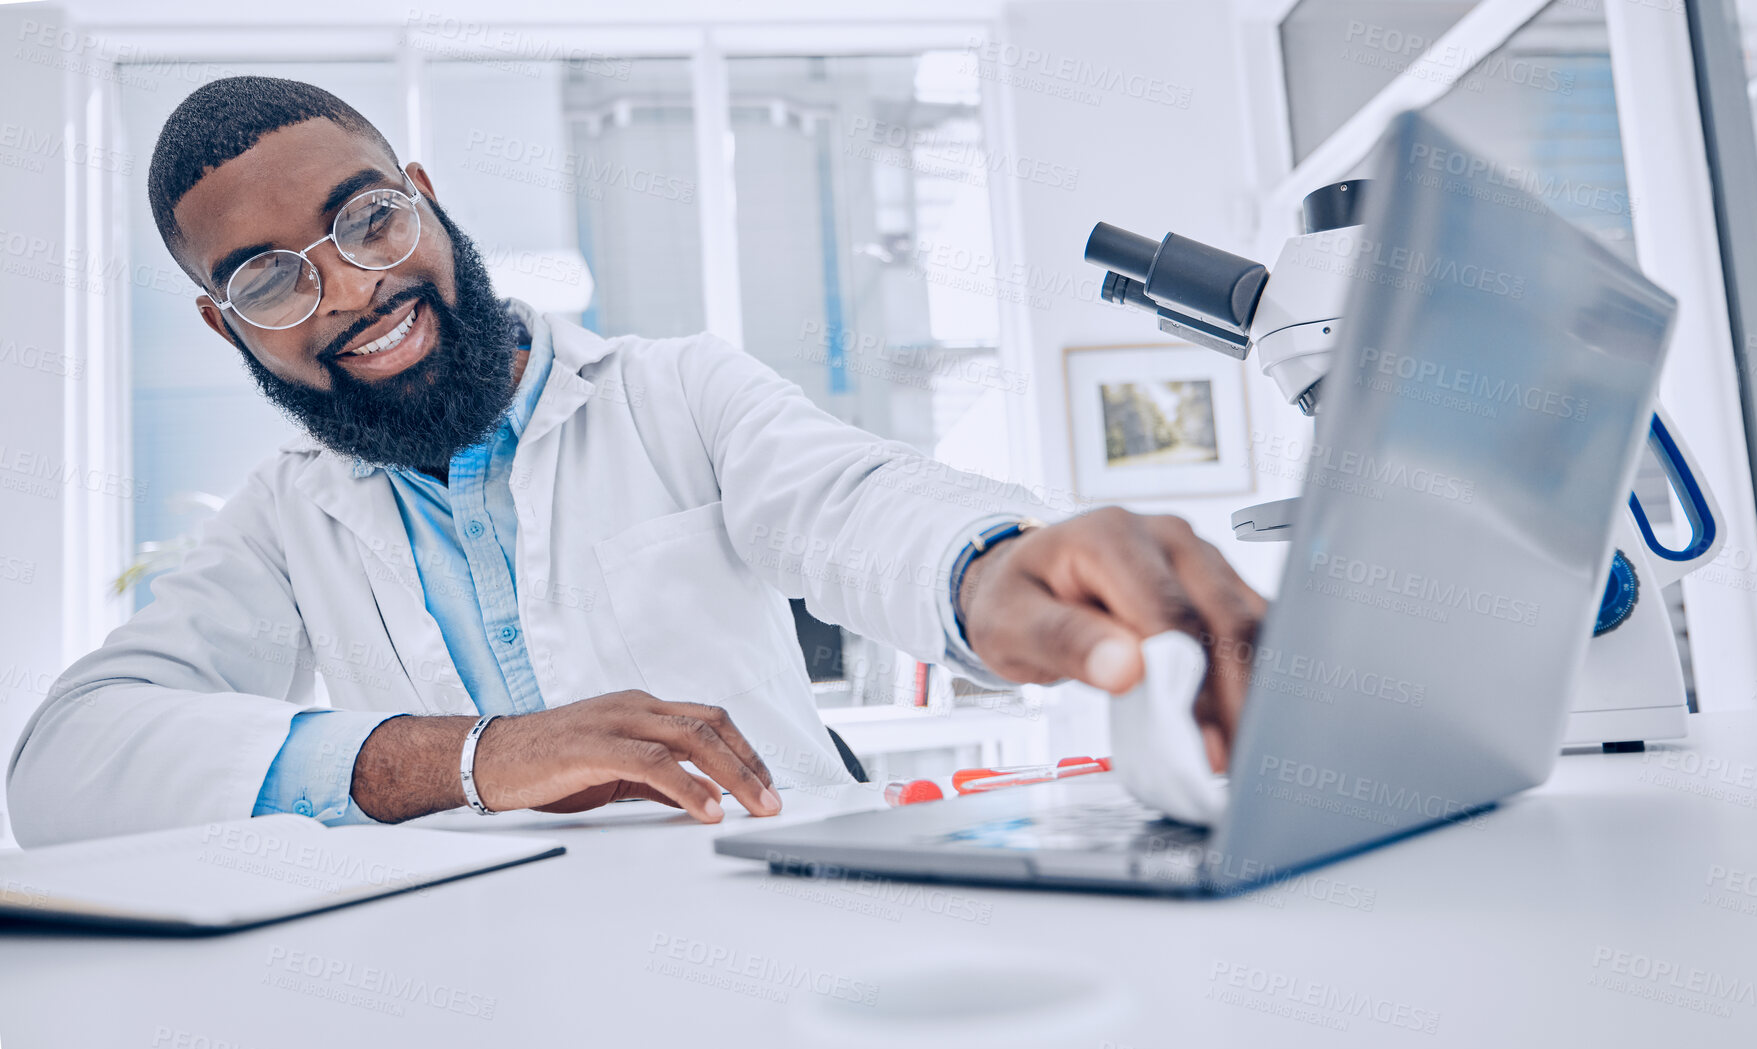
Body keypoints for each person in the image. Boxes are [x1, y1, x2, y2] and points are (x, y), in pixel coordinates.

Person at [5, 77, 1266, 847]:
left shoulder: (675, 392)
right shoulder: (285, 521)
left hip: (782, 932)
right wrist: (464, 758)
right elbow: (68, 765)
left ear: (426, 197)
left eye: (368, 217)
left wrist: (996, 566)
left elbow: (855, 503)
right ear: (226, 323)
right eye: (273, 278)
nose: (353, 285)